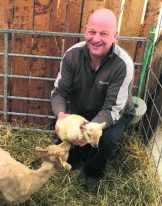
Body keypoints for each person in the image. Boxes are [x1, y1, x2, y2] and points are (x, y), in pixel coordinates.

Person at [51, 8, 135, 193]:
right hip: (82, 108)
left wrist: (88, 131)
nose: (96, 38)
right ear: (85, 31)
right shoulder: (72, 55)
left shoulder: (123, 65)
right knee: (59, 131)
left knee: (105, 140)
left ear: (115, 36)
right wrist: (61, 116)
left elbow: (112, 109)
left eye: (104, 33)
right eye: (92, 32)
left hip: (113, 114)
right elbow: (59, 92)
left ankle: (93, 173)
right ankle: (77, 155)